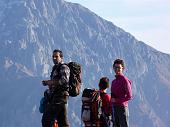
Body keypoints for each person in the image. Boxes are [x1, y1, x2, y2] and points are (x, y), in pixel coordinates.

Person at [41, 49, 70, 127]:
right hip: (56, 96)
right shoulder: (55, 68)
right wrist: (49, 84)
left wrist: (50, 82)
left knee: (47, 119)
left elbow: (65, 80)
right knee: (63, 122)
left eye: (56, 56)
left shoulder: (64, 67)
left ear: (61, 57)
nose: (54, 58)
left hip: (61, 96)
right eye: (53, 56)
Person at [111, 59, 132, 127]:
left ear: (122, 68)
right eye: (115, 67)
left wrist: (117, 100)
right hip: (114, 108)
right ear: (113, 67)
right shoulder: (113, 82)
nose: (117, 69)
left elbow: (129, 96)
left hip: (122, 108)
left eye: (119, 67)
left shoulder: (125, 80)